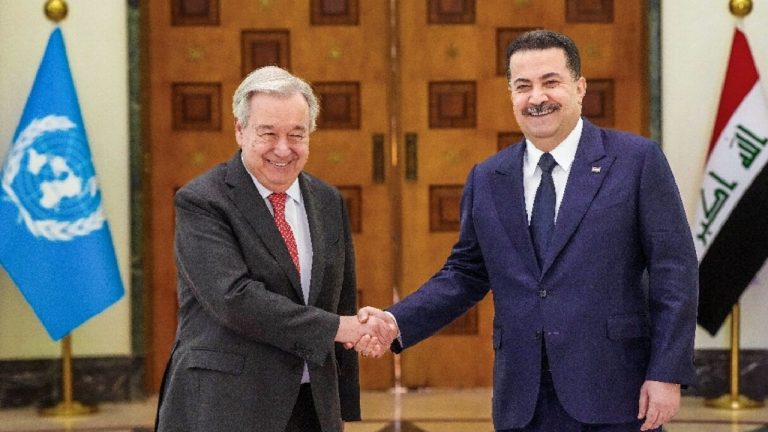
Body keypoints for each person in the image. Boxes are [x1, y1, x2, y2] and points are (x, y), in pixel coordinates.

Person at [356, 30, 698, 432]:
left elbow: (674, 271)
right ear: (511, 95)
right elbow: (465, 274)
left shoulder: (636, 161)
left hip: (617, 391)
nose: (537, 98)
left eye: (551, 82)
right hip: (523, 399)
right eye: (523, 86)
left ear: (579, 87)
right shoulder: (488, 178)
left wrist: (666, 372)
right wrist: (397, 321)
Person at [154, 66, 394, 432]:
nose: (283, 149)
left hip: (312, 405)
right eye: (268, 134)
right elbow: (234, 299)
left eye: (296, 135)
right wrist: (340, 328)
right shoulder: (202, 201)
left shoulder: (327, 200)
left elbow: (339, 298)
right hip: (227, 405)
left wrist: (341, 404)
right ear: (240, 130)